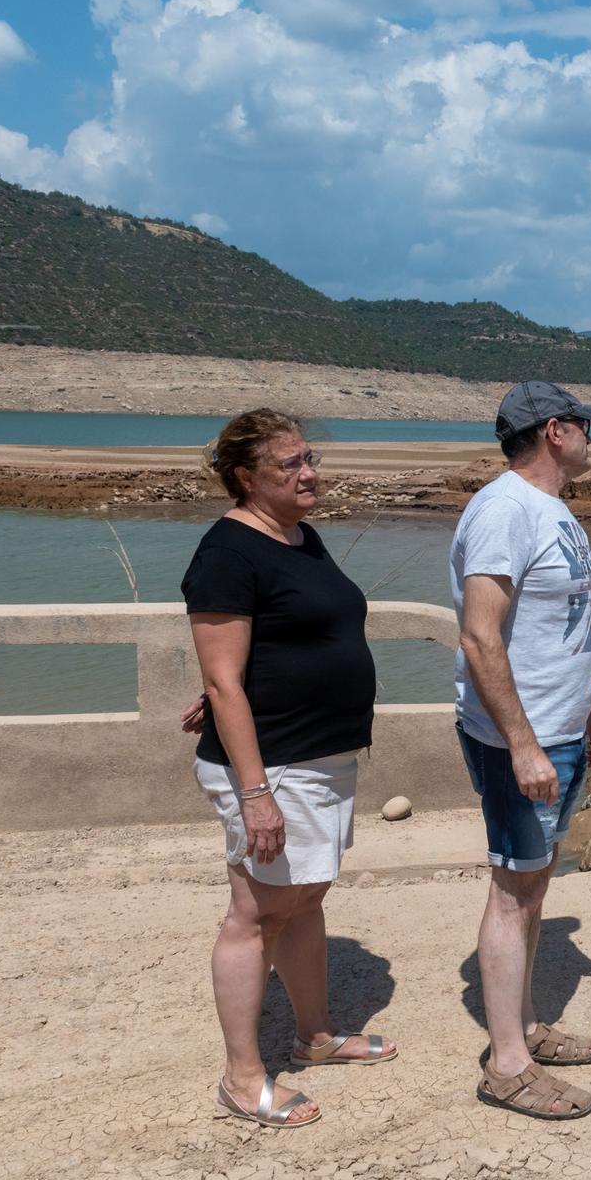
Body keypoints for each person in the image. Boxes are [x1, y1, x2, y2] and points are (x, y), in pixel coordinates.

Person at [182, 408, 398, 1130]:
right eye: (289, 464)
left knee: (305, 899)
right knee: (255, 913)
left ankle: (314, 1037)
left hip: (321, 758)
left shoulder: (302, 537)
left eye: (309, 458)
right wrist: (255, 794)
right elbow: (223, 678)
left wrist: (235, 681)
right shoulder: (227, 551)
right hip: (270, 768)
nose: (309, 473)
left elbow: (267, 645)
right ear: (246, 477)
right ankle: (242, 1079)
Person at [451, 380, 591, 1120]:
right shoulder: (503, 512)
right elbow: (480, 635)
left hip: (561, 728)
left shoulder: (553, 511)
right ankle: (507, 1064)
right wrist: (522, 744)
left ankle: (522, 1025)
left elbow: (564, 627)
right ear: (556, 430)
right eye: (586, 425)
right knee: (513, 887)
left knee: (536, 882)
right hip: (521, 739)